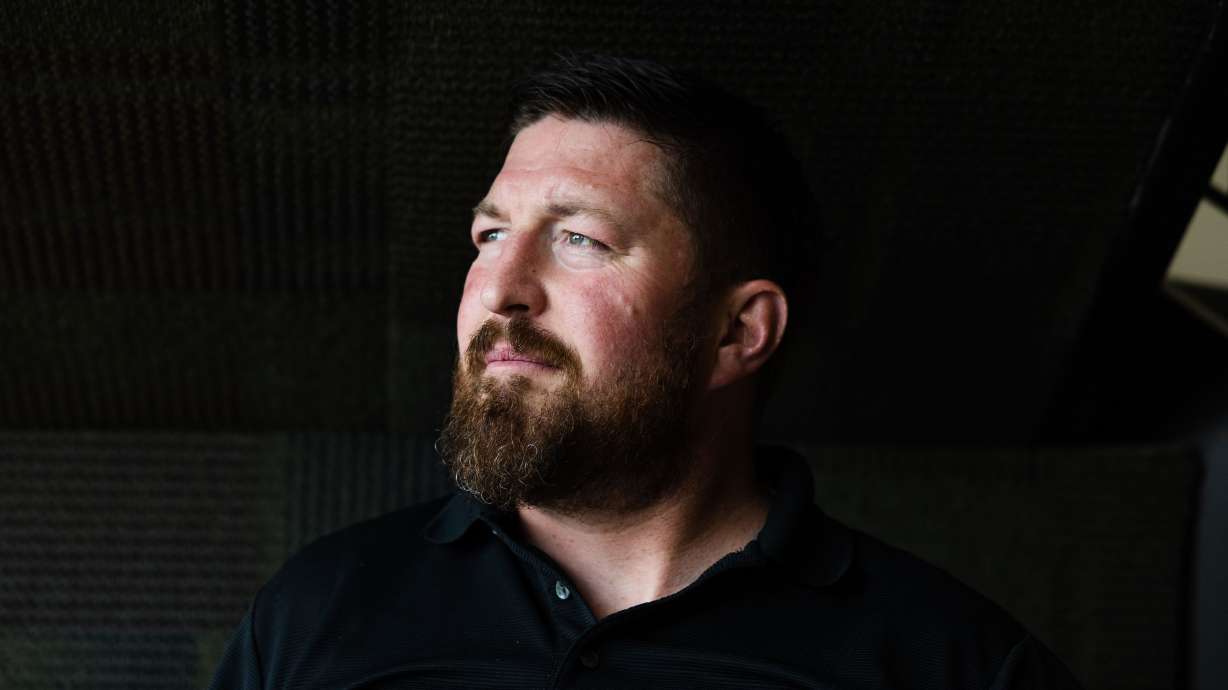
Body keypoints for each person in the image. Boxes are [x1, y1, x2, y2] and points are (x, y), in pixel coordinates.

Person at [210, 54, 1081, 689]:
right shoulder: (317, 612)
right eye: (489, 235)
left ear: (738, 332)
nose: (500, 291)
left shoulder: (954, 663)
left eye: (579, 239)